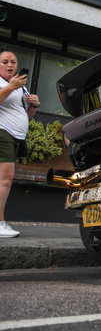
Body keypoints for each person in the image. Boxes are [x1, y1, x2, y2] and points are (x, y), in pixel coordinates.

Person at [0, 46, 40, 237]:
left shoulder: (20, 86)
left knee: (4, 179)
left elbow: (25, 115)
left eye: (13, 62)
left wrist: (33, 105)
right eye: (5, 62)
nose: (10, 65)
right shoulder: (6, 84)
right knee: (5, 178)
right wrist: (10, 87)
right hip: (3, 133)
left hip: (16, 137)